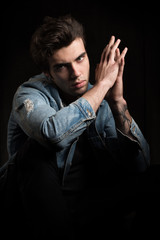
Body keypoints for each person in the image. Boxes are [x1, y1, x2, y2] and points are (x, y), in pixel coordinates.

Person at [2, 15, 150, 239]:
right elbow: (53, 136)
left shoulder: (104, 96)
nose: (76, 73)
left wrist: (117, 101)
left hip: (86, 206)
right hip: (34, 211)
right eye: (62, 67)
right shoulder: (29, 94)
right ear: (48, 73)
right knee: (35, 151)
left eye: (80, 58)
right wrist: (102, 86)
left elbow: (141, 166)